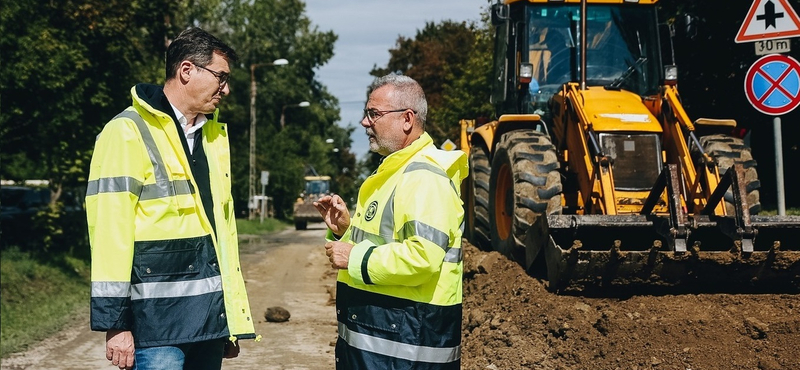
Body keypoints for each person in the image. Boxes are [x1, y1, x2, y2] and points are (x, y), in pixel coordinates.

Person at [85, 27, 257, 370]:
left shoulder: (211, 138)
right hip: (156, 327)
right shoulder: (126, 132)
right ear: (187, 70)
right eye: (221, 77)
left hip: (207, 322)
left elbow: (221, 235)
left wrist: (229, 321)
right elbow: (109, 234)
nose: (226, 89)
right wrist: (116, 323)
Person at [314, 74, 468, 369]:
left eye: (374, 113)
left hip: (406, 349)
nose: (364, 122)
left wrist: (354, 255)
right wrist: (347, 231)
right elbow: (386, 243)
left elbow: (423, 258)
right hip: (386, 341)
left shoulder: (424, 177)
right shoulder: (394, 174)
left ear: (407, 119)